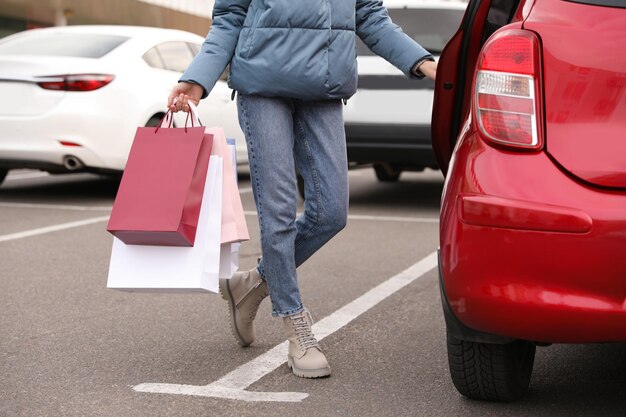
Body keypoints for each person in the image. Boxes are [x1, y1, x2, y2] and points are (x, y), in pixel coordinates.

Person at [167, 0, 437, 379]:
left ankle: (253, 283)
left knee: (331, 213)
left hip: (323, 87)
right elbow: (230, 17)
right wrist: (198, 78)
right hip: (263, 89)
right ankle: (295, 324)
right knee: (276, 209)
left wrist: (422, 61)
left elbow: (370, 16)